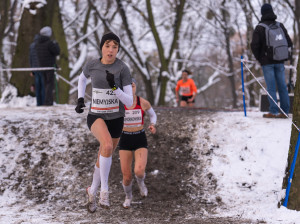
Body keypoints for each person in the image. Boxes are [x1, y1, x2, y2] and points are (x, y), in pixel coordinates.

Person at [75, 32, 133, 213]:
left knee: (105, 152)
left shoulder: (122, 69)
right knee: (106, 145)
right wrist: (80, 98)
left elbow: (130, 102)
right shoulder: (92, 64)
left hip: (116, 117)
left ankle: (91, 190)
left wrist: (114, 87)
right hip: (96, 115)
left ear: (118, 49)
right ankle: (104, 192)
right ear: (102, 47)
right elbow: (82, 78)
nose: (111, 50)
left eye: (115, 47)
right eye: (107, 46)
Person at [118, 78, 157, 208]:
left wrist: (152, 124)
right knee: (127, 176)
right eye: (127, 86)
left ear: (135, 87)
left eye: (132, 86)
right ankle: (128, 196)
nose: (130, 88)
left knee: (139, 171)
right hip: (125, 139)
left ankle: (141, 183)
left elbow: (153, 115)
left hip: (139, 138)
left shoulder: (143, 102)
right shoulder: (118, 103)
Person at [251, 3, 293, 118]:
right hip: (280, 60)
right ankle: (284, 111)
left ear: (262, 13)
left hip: (267, 62)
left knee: (271, 87)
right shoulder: (280, 25)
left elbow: (254, 45)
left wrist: (260, 58)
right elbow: (289, 42)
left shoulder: (260, 27)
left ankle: (273, 111)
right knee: (282, 87)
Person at [35, 26, 60, 106]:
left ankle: (47, 101)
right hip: (50, 66)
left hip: (42, 66)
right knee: (50, 84)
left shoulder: (37, 43)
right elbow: (56, 51)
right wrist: (56, 44)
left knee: (45, 84)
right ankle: (48, 101)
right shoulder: (49, 43)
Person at [29, 34, 45, 106]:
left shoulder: (32, 46)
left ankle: (38, 103)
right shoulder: (42, 45)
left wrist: (32, 70)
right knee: (43, 86)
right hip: (42, 68)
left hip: (35, 68)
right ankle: (43, 102)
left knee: (37, 86)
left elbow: (31, 59)